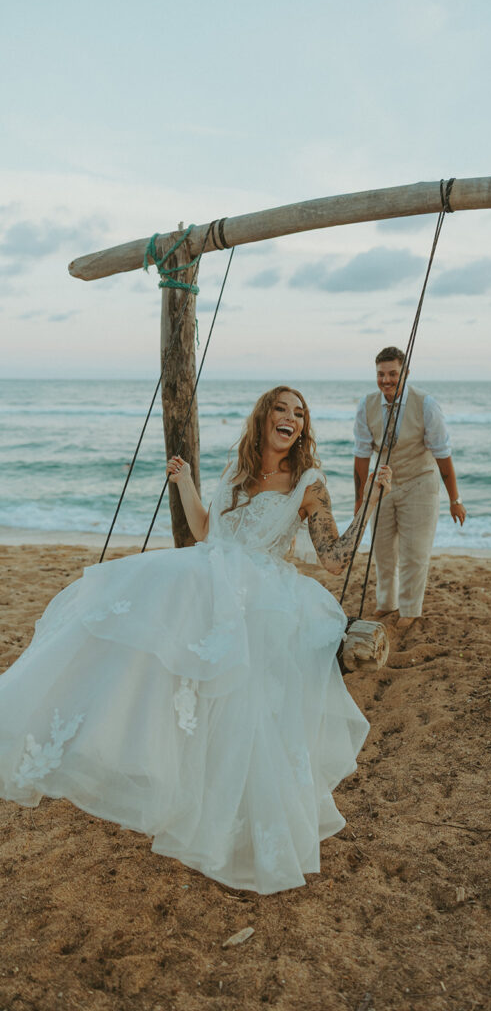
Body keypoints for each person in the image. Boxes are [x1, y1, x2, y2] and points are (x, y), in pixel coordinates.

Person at [0, 386, 391, 895]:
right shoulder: (236, 471)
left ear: (303, 428)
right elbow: (208, 533)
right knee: (133, 610)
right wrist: (184, 482)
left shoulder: (309, 482)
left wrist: (372, 500)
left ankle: (244, 826)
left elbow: (335, 558)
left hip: (263, 591)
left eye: (299, 413)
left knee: (246, 711)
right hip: (212, 573)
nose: (291, 418)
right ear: (264, 417)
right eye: (281, 409)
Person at [353, 346, 465, 628]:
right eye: (381, 374)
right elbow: (361, 456)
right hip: (384, 484)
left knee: (414, 552)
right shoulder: (366, 405)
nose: (386, 380)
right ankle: (386, 603)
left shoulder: (426, 404)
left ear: (406, 373)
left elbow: (443, 455)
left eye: (393, 374)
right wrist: (360, 501)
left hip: (420, 482)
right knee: (382, 550)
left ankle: (410, 610)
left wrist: (455, 499)